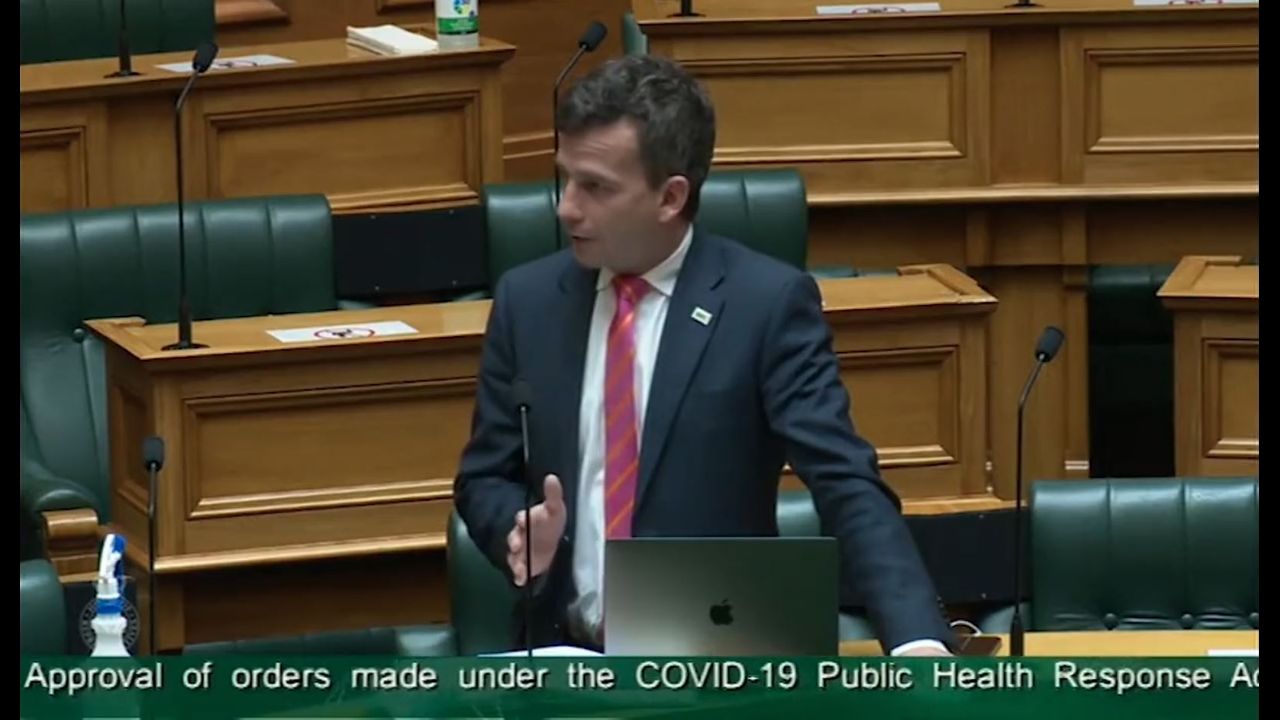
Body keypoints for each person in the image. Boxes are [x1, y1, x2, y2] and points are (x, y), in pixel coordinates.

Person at [454, 55, 954, 656]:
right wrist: (515, 529)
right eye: (567, 179)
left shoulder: (763, 306)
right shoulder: (528, 301)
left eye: (596, 187)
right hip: (566, 657)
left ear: (670, 197)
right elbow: (485, 476)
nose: (566, 208)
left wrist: (917, 641)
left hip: (718, 657)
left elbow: (845, 480)